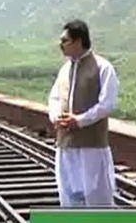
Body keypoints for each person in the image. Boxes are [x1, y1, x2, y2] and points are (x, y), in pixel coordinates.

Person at [47, 19, 120, 207]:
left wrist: (79, 121)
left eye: (65, 41)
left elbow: (107, 104)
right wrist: (56, 117)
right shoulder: (65, 69)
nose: (60, 45)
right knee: (69, 195)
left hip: (92, 146)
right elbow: (54, 98)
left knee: (97, 196)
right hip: (66, 144)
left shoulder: (103, 68)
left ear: (78, 41)